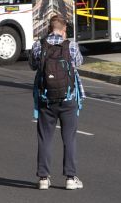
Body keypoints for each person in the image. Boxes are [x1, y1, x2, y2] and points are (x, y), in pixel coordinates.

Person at [30, 15, 85, 190]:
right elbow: (79, 62)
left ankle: (43, 178)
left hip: (46, 99)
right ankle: (70, 177)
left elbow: (32, 65)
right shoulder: (71, 46)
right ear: (63, 29)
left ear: (49, 28)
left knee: (45, 138)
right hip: (68, 99)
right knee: (69, 138)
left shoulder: (39, 46)